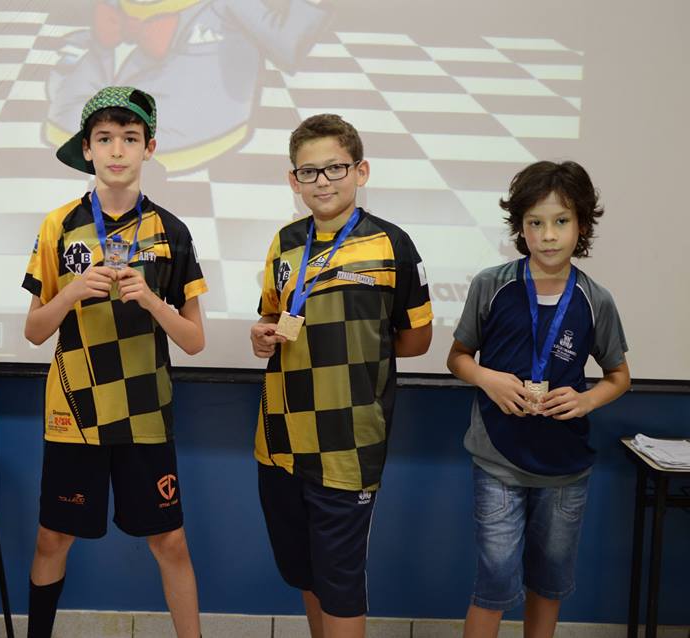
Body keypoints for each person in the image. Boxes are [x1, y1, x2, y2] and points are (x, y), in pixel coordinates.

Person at [23, 86, 207, 638]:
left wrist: (151, 301)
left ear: (149, 148)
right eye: (104, 139)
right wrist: (71, 292)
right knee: (52, 537)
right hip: (74, 413)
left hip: (145, 415)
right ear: (87, 149)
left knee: (170, 541)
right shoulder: (58, 225)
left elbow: (195, 341)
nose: (117, 150)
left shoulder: (171, 231)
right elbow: (34, 331)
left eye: (130, 138)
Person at [250, 113, 433, 638]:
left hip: (349, 445)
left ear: (361, 171)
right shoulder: (285, 242)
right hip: (280, 441)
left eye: (335, 168)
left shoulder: (392, 244)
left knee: (341, 583)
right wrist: (260, 335)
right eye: (309, 172)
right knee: (307, 572)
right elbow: (271, 318)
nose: (322, 181)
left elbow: (415, 341)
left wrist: (357, 358)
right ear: (294, 180)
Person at [446, 160, 631, 638]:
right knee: (492, 584)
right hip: (497, 462)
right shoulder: (492, 284)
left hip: (565, 468)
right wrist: (488, 379)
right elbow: (458, 358)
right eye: (535, 222)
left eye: (561, 221)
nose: (548, 235)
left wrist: (587, 401)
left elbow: (618, 377)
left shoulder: (596, 299)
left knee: (548, 586)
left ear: (582, 225)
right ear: (520, 227)